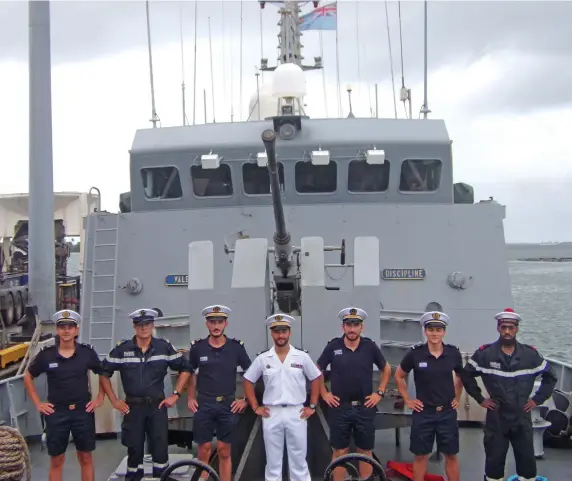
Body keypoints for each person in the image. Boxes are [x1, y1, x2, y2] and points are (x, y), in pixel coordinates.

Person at [461, 308, 558, 481]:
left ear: (517, 329)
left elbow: (550, 377)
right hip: (497, 417)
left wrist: (537, 399)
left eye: (511, 327)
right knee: (494, 462)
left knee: (527, 464)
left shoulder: (530, 355)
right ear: (498, 328)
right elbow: (467, 375)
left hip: (522, 416)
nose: (507, 331)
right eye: (504, 327)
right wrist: (481, 399)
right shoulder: (485, 354)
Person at [99, 308, 193, 481]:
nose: (144, 328)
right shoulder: (123, 349)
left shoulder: (163, 347)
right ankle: (133, 477)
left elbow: (185, 368)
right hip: (132, 408)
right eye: (140, 325)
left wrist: (175, 394)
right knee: (134, 448)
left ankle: (162, 476)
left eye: (147, 324)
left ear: (152, 325)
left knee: (160, 446)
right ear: (134, 327)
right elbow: (104, 373)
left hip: (156, 407)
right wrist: (114, 400)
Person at [23, 309, 105, 481]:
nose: (66, 330)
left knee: (86, 457)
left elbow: (103, 373)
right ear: (57, 330)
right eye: (62, 327)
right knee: (56, 460)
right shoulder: (46, 355)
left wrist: (100, 398)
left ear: (76, 330)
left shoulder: (86, 353)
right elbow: (28, 377)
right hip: (56, 413)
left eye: (70, 326)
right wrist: (38, 404)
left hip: (82, 412)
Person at [242, 314, 322, 481]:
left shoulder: (301, 356)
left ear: (290, 333)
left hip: (296, 412)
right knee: (273, 463)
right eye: (277, 331)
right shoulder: (263, 358)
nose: (281, 335)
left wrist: (313, 405)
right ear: (272, 333)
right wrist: (255, 406)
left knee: (299, 461)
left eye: (284, 331)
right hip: (272, 413)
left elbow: (316, 377)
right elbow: (248, 380)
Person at [316, 307, 392, 481]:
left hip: (364, 408)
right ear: (343, 327)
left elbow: (386, 369)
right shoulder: (333, 346)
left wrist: (379, 392)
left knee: (365, 451)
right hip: (339, 408)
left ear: (361, 327)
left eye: (356, 324)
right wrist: (324, 393)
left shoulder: (370, 347)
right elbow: (317, 370)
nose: (352, 329)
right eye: (348, 324)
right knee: (339, 451)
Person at [394, 311, 464, 481]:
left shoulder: (453, 353)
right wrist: (408, 400)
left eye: (438, 330)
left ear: (444, 332)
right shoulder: (415, 354)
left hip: (447, 412)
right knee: (420, 456)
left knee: (451, 456)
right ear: (425, 331)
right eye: (431, 329)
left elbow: (461, 376)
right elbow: (398, 375)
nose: (434, 333)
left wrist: (457, 397)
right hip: (423, 413)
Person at [187, 305, 252, 481]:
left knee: (224, 451)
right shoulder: (198, 348)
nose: (216, 326)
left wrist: (245, 399)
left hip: (227, 404)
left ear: (226, 324)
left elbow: (250, 373)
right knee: (204, 450)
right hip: (204, 403)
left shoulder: (236, 347)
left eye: (220, 322)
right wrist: (191, 397)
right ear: (207, 324)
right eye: (212, 322)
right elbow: (189, 373)